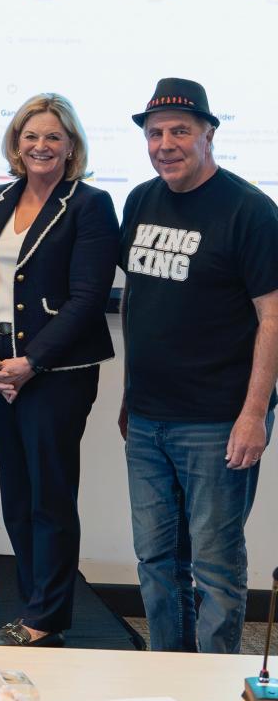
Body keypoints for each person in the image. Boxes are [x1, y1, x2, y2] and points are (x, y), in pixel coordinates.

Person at [118, 77, 278, 653]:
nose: (165, 144)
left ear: (209, 134)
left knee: (214, 568)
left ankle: (213, 688)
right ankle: (166, 675)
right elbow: (141, 305)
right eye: (155, 133)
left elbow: (273, 320)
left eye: (180, 131)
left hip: (217, 422)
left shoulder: (251, 211)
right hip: (149, 419)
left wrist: (254, 415)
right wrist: (128, 398)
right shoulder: (140, 199)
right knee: (156, 561)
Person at [0, 93, 119, 648]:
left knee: (50, 494)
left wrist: (31, 362)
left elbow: (87, 297)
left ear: (71, 145)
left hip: (57, 372)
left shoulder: (90, 204)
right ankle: (34, 609)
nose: (41, 146)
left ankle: (45, 618)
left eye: (53, 137)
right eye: (31, 136)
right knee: (16, 493)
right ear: (16, 143)